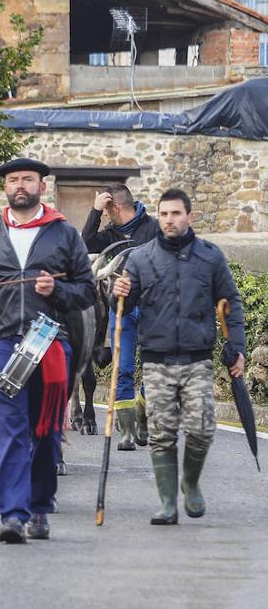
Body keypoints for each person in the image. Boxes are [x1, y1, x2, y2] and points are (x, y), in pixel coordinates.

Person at [0, 158, 95, 544]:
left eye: (28, 180)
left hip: (51, 345)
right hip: (2, 345)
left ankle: (39, 505)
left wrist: (59, 291)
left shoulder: (64, 234)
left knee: (46, 431)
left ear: (42, 186)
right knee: (10, 432)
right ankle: (13, 516)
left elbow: (86, 291)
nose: (20, 185)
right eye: (14, 180)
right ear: (5, 187)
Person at [112, 189, 245, 525]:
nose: (170, 220)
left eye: (176, 213)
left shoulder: (210, 258)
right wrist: (119, 296)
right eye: (164, 214)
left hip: (197, 358)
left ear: (189, 216)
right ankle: (168, 503)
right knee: (162, 433)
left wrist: (238, 348)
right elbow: (121, 310)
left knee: (201, 429)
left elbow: (232, 304)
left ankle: (191, 481)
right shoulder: (140, 258)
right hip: (156, 360)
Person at [83, 183, 160, 451]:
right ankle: (127, 432)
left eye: (104, 208)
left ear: (114, 206)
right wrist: (94, 213)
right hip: (122, 308)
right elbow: (85, 245)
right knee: (123, 369)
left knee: (152, 371)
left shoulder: (154, 228)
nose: (104, 214)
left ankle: (141, 412)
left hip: (154, 310)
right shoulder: (110, 234)